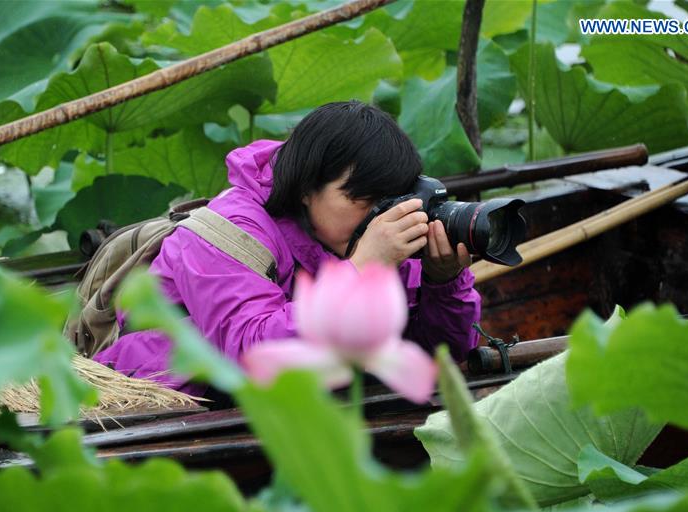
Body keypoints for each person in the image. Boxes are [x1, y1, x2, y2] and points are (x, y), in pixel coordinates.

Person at [94, 101, 481, 397]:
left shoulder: (364, 235)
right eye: (362, 199)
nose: (376, 215)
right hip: (165, 407)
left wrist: (442, 282)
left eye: (387, 199)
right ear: (306, 187)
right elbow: (254, 357)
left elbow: (440, 351)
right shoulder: (223, 233)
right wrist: (360, 270)